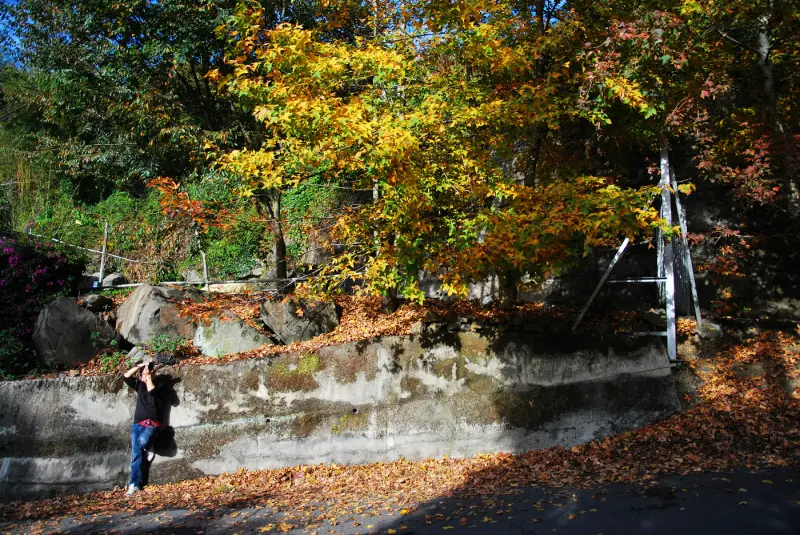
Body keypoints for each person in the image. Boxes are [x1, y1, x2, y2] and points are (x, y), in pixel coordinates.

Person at [123, 361, 168, 496]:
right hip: (137, 424)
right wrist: (139, 366)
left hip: (153, 424)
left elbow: (152, 391)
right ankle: (134, 484)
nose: (143, 375)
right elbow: (126, 377)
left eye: (146, 373)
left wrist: (148, 376)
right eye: (142, 374)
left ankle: (148, 446)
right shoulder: (139, 386)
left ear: (152, 374)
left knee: (143, 442)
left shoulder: (160, 385)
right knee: (135, 455)